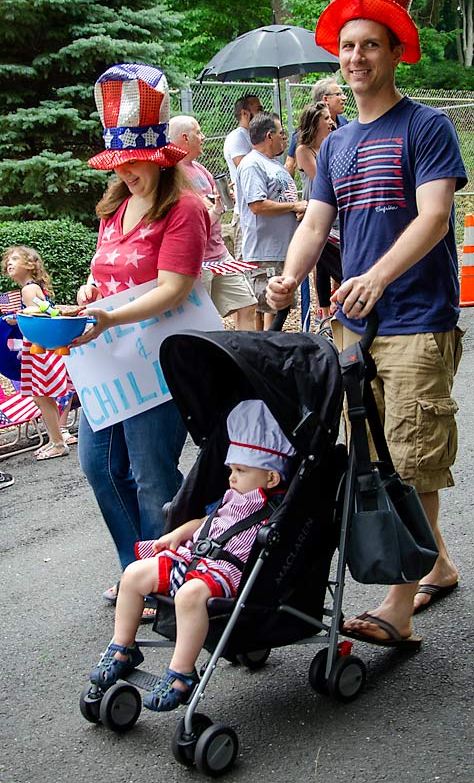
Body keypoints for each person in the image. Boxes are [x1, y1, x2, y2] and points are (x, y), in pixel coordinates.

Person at [267, 0, 466, 644]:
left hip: (416, 318)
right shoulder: (341, 141)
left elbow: (436, 216)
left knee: (411, 460)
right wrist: (291, 275)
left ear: (393, 52)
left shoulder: (426, 127)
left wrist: (378, 273)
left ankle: (399, 610)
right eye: (348, 46)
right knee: (373, 458)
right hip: (355, 326)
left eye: (369, 46)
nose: (356, 57)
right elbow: (318, 223)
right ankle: (435, 565)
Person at [74, 63, 210, 608]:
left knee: (152, 476)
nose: (127, 171)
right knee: (98, 466)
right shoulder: (113, 207)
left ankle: (174, 577)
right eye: (120, 163)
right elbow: (102, 271)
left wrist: (107, 318)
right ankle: (139, 572)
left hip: (159, 364)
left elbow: (175, 290)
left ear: (160, 158)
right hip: (107, 362)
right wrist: (88, 291)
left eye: (136, 163)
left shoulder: (185, 208)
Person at [88, 399, 295, 712]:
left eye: (241, 470)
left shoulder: (272, 511)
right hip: (192, 558)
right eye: (231, 470)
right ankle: (123, 647)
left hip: (226, 571)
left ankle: (182, 672)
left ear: (271, 478)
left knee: (188, 596)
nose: (232, 477)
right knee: (132, 575)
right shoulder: (232, 496)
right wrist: (175, 534)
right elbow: (206, 521)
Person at [168, 115, 257, 330]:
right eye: (198, 133)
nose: (203, 137)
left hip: (219, 253)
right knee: (200, 321)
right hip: (196, 261)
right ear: (184, 138)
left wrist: (223, 198)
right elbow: (193, 225)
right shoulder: (171, 176)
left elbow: (212, 204)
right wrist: (217, 208)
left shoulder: (200, 169)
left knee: (247, 305)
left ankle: (246, 358)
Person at [236, 113, 307, 330]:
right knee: (269, 311)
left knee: (277, 312)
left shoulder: (272, 164)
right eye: (281, 134)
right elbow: (257, 205)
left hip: (280, 251)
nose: (284, 139)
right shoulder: (252, 164)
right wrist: (294, 206)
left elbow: (280, 199)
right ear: (269, 136)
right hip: (264, 253)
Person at [1, 245, 73, 460]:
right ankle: (54, 440)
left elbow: (39, 318)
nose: (9, 263)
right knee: (43, 397)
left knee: (42, 397)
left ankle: (58, 443)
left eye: (15, 259)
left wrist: (16, 318)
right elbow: (45, 312)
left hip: (37, 349)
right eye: (8, 261)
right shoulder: (33, 288)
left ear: (30, 264)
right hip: (41, 347)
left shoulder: (28, 290)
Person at [295, 103, 339, 320]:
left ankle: (338, 303)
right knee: (322, 263)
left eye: (331, 119)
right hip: (317, 211)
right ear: (315, 123)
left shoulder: (331, 145)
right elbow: (322, 179)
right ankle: (324, 312)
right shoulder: (304, 150)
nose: (331, 122)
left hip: (338, 210)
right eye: (326, 119)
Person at [223, 94, 264, 260]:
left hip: (260, 208)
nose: (263, 113)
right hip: (245, 211)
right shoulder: (237, 137)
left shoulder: (254, 136)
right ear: (245, 114)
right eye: (259, 109)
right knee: (246, 261)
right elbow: (247, 171)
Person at [284, 76, 348, 178]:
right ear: (326, 99)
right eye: (338, 94)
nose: (344, 98)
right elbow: (289, 164)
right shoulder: (303, 133)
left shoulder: (344, 123)